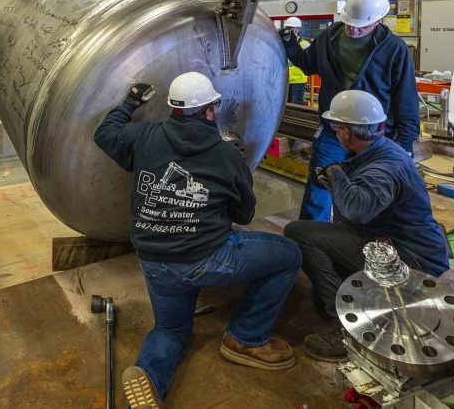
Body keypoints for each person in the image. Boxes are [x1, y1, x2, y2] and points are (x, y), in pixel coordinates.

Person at [94, 72, 302, 409]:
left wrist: (129, 104)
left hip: (153, 263)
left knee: (172, 331)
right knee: (289, 254)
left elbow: (105, 134)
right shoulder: (226, 155)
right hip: (206, 259)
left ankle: (149, 375)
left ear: (173, 109)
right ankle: (245, 338)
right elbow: (245, 215)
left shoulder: (144, 137)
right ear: (209, 111)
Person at [283, 90, 449, 362]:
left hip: (412, 259)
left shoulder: (384, 169)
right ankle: (359, 298)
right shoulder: (380, 149)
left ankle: (349, 329)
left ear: (346, 133)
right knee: (320, 290)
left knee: (299, 233)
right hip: (390, 240)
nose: (336, 133)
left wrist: (334, 171)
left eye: (336, 127)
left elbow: (355, 210)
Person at [279, 0, 420, 222]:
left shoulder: (393, 48)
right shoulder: (328, 39)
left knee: (360, 195)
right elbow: (308, 64)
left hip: (371, 135)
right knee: (319, 187)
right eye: (349, 22)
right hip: (334, 129)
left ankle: (345, 239)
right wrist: (290, 44)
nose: (353, 29)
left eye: (361, 25)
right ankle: (312, 241)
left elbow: (405, 97)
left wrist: (405, 143)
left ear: (378, 20)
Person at [284, 16, 311, 105]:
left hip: (298, 80)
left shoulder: (304, 44)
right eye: (287, 28)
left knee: (296, 103)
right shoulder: (283, 44)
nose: (289, 31)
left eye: (291, 28)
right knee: (284, 103)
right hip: (286, 79)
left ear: (298, 29)